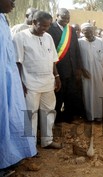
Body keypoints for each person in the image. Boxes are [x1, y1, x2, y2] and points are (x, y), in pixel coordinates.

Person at [13, 11, 62, 149]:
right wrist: (20, 83)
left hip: (48, 82)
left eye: (48, 26)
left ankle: (47, 141)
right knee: (30, 114)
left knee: (49, 111)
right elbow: (18, 62)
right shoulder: (20, 37)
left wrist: (57, 77)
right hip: (30, 83)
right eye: (43, 26)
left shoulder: (48, 37)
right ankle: (29, 145)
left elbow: (53, 59)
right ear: (34, 22)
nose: (45, 29)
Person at [0, 0, 37, 174]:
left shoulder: (3, 19)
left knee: (12, 116)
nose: (14, 4)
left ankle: (9, 157)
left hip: (8, 79)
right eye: (11, 0)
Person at [47, 8, 86, 123]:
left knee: (71, 94)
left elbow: (76, 50)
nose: (66, 20)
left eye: (68, 18)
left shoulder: (71, 30)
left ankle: (68, 116)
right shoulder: (50, 29)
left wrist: (79, 67)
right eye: (63, 17)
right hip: (58, 68)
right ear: (57, 16)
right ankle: (57, 118)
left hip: (72, 68)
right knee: (58, 94)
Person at [78, 23, 103, 121]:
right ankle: (89, 117)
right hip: (86, 74)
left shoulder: (100, 42)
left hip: (100, 74)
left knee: (100, 94)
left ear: (93, 31)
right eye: (86, 32)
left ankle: (99, 116)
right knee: (87, 95)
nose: (89, 33)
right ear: (82, 32)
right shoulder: (79, 42)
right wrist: (83, 70)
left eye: (91, 31)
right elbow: (77, 58)